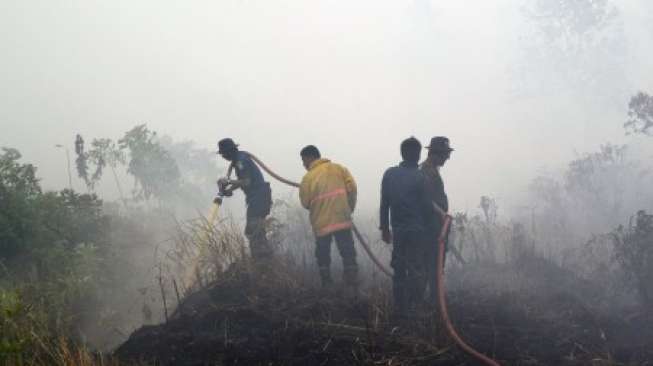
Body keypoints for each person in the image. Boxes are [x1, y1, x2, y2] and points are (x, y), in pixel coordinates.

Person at [380, 137, 432, 317]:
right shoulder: (421, 177)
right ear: (418, 155)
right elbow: (427, 208)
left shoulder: (389, 174)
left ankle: (400, 308)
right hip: (417, 232)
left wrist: (385, 229)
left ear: (402, 154)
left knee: (399, 269)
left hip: (399, 232)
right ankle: (414, 307)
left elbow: (384, 204)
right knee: (416, 269)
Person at [299, 145, 359, 293]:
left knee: (323, 254)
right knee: (348, 251)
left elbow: (305, 202)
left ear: (309, 157)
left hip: (321, 224)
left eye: (303, 160)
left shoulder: (307, 178)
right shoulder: (339, 168)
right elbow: (352, 189)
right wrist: (348, 208)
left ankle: (327, 285)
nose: (303, 164)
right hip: (342, 219)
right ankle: (351, 285)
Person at [216, 138, 273, 261]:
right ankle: (262, 258)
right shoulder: (239, 159)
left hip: (259, 197)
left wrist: (228, 181)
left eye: (222, 154)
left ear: (228, 152)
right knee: (255, 229)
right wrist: (230, 189)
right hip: (258, 198)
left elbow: (247, 182)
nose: (222, 157)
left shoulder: (241, 161)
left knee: (253, 230)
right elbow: (243, 180)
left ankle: (262, 259)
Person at [420, 136, 453, 306]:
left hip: (436, 227)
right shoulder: (426, 172)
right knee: (432, 266)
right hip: (431, 229)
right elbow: (425, 199)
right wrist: (441, 213)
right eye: (445, 154)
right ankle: (433, 301)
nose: (447, 158)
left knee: (435, 266)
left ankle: (434, 299)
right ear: (435, 154)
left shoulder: (431, 171)